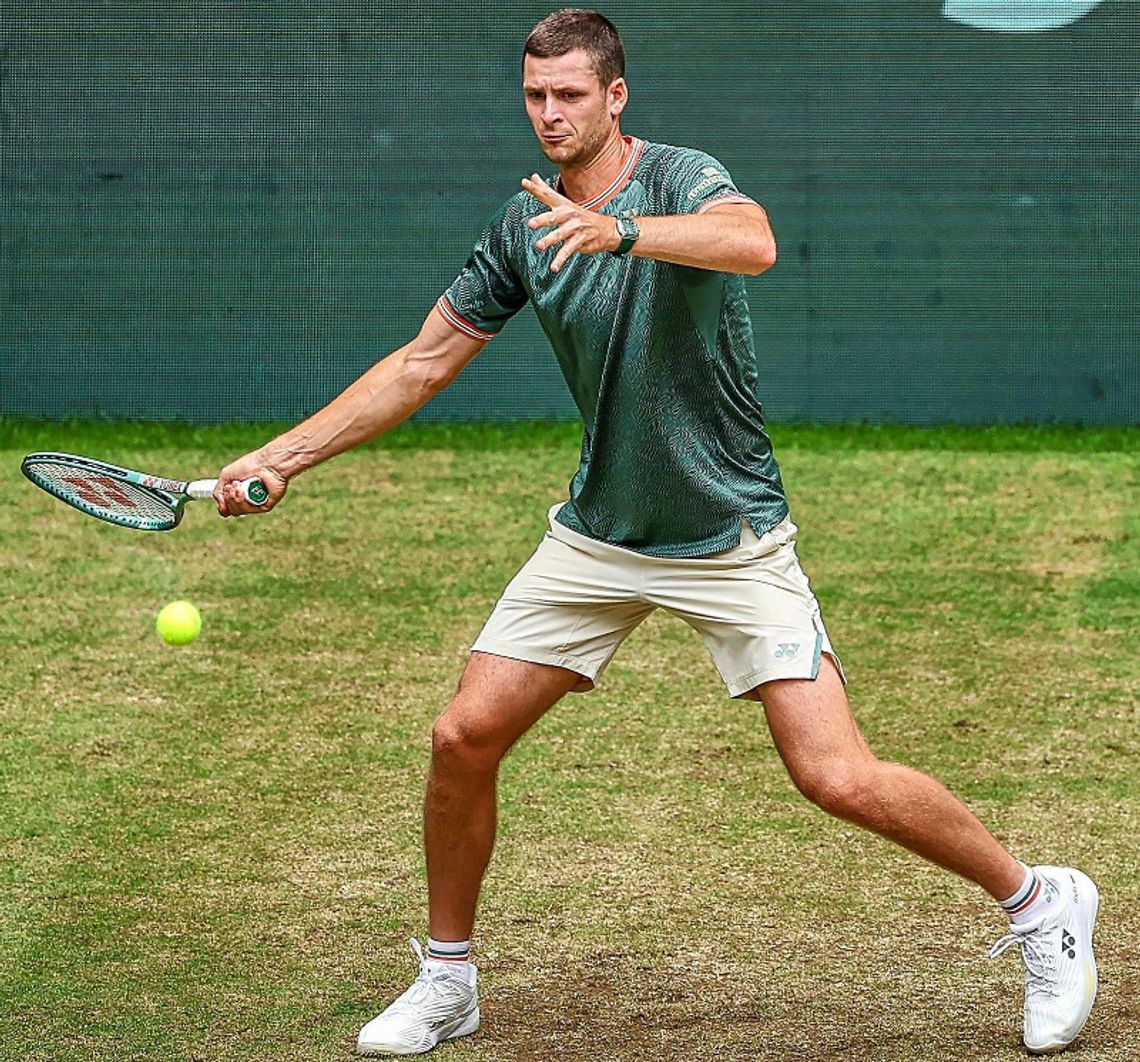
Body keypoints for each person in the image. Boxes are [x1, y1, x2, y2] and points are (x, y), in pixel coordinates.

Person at [214, 9, 1099, 1058]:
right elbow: (422, 362)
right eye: (536, 96)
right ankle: (448, 978)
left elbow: (754, 241)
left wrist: (620, 229)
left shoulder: (680, 178)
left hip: (730, 536)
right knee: (463, 736)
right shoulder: (522, 223)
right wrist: (284, 454)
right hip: (599, 535)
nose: (550, 113)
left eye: (571, 96)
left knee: (835, 777)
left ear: (616, 96)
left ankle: (1042, 905)